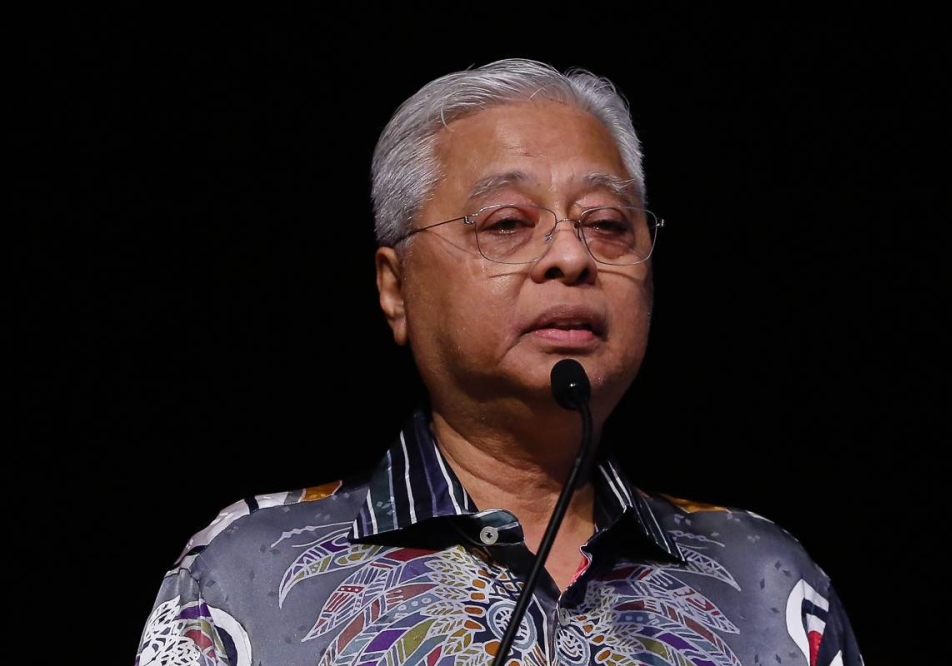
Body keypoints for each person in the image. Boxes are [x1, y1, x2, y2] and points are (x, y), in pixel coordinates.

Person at [134, 58, 864, 666]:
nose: (573, 256)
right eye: (508, 224)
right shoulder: (246, 571)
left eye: (607, 224)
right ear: (396, 288)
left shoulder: (764, 572)